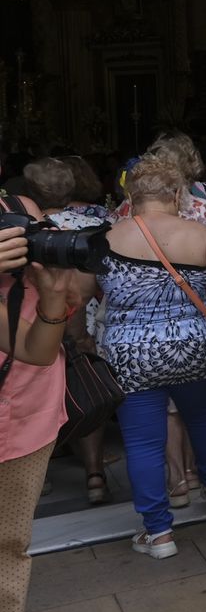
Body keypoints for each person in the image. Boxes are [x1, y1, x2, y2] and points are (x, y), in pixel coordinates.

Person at [98, 157, 206, 559]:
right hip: (192, 345)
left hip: (131, 353)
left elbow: (80, 293)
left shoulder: (108, 237)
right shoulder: (197, 233)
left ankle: (159, 533)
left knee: (143, 442)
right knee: (202, 417)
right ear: (178, 194)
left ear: (131, 196)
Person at [0, 191, 74, 612]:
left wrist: (53, 298)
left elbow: (37, 351)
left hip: (23, 410)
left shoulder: (17, 206)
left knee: (8, 548)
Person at [23, 157, 112, 504]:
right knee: (85, 392)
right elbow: (95, 280)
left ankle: (38, 475)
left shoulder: (29, 231)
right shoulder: (96, 222)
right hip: (81, 319)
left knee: (39, 399)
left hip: (37, 327)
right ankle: (95, 475)